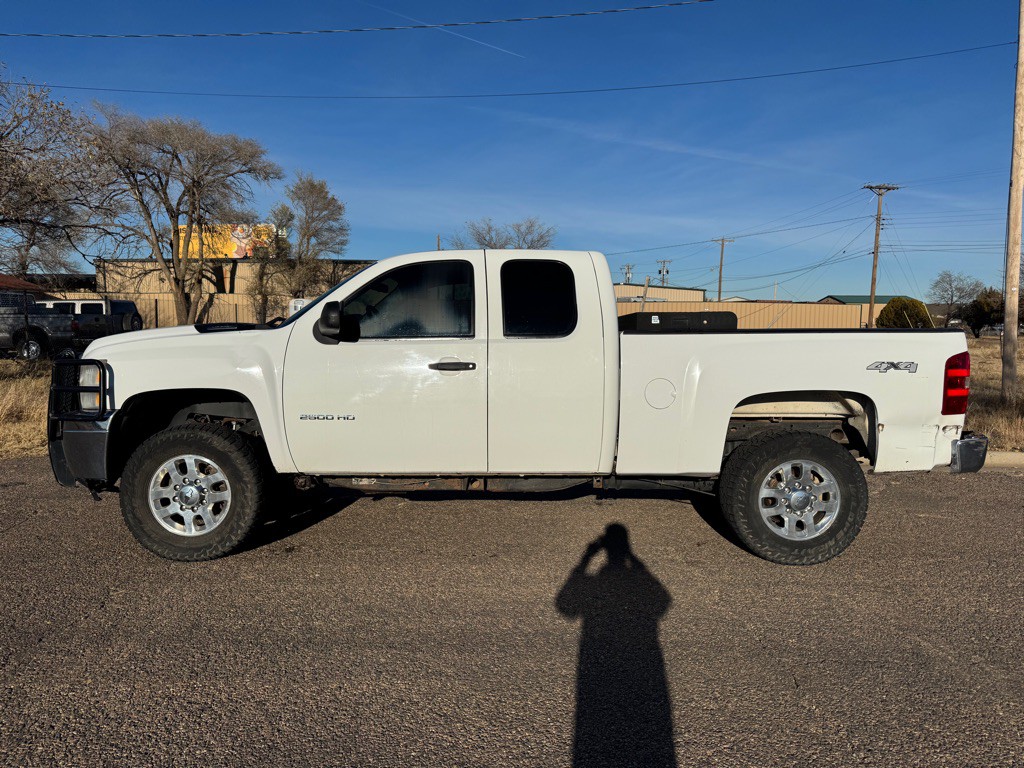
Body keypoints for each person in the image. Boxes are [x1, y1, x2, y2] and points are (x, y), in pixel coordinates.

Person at [556, 523, 676, 768]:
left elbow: (566, 607)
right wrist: (635, 561)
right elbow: (662, 601)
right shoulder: (634, 577)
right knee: (643, 718)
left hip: (596, 657)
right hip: (644, 658)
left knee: (598, 719)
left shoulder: (595, 579)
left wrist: (585, 560)